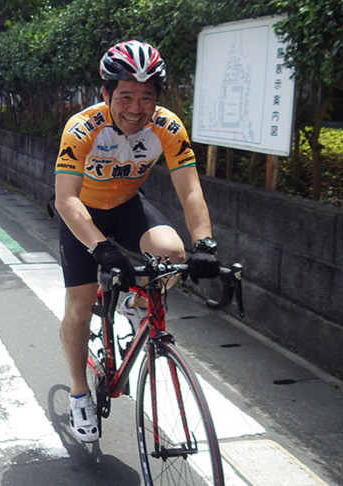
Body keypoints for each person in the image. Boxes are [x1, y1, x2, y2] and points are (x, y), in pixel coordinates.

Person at [54, 40, 220, 443]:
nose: (136, 107)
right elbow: (65, 198)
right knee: (80, 304)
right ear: (106, 94)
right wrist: (100, 248)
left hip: (127, 206)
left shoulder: (167, 126)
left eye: (146, 97)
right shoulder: (82, 128)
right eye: (125, 95)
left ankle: (133, 304)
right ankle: (79, 393)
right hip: (82, 214)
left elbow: (191, 191)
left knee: (173, 253)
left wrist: (206, 244)